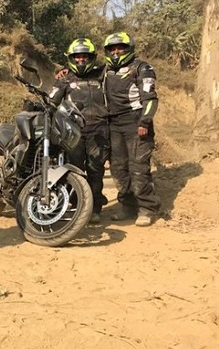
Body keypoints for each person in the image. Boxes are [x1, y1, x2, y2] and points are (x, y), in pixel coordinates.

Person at [103, 32, 161, 226]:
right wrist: (62, 71)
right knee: (119, 169)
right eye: (113, 48)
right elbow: (79, 73)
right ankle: (127, 207)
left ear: (129, 48)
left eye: (121, 47)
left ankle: (147, 209)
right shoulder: (105, 70)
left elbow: (150, 99)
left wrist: (145, 122)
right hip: (113, 125)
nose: (116, 51)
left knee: (139, 169)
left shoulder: (142, 68)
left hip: (136, 123)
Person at [49, 38, 110, 223]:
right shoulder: (65, 78)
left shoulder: (101, 75)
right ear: (71, 58)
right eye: (77, 57)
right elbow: (52, 102)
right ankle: (77, 207)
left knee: (95, 170)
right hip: (73, 132)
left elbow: (117, 69)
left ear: (92, 57)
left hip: (99, 131)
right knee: (74, 170)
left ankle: (95, 209)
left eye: (85, 57)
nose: (81, 61)